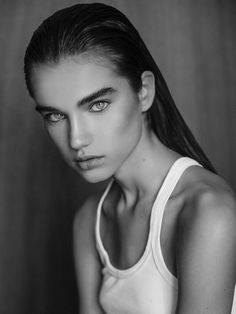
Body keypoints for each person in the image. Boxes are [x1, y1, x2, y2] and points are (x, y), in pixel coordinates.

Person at [24, 3, 236, 314]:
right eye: (55, 115)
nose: (77, 139)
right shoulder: (89, 221)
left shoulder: (208, 211)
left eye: (97, 105)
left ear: (144, 92)